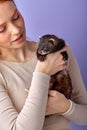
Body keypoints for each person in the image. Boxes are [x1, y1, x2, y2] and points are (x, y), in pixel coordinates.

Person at [0, 1, 87, 130]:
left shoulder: (58, 52)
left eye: (16, 17)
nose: (16, 30)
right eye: (1, 29)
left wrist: (65, 107)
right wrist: (42, 72)